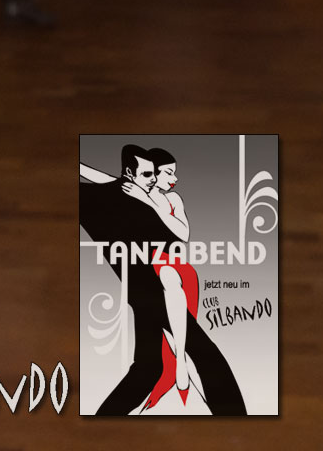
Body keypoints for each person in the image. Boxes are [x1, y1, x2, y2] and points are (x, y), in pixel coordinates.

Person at [79, 145, 246, 415]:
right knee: (198, 354)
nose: (155, 179)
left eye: (156, 174)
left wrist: (146, 200)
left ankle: (104, 418)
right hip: (153, 287)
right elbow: (105, 181)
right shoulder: (121, 192)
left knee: (150, 366)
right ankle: (236, 418)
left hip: (166, 281)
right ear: (130, 174)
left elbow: (182, 234)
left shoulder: (154, 198)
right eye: (149, 174)